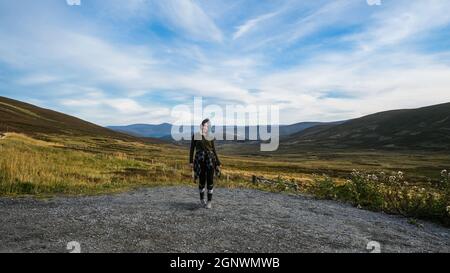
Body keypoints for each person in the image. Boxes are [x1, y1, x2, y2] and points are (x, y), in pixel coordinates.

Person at [189, 118, 221, 209]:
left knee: (210, 180)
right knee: (202, 180)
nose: (205, 127)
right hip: (199, 160)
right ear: (201, 125)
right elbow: (192, 149)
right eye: (204, 125)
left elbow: (214, 150)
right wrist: (191, 161)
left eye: (207, 125)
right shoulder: (196, 135)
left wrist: (218, 162)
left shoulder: (211, 136)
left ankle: (209, 202)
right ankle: (202, 200)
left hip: (210, 160)